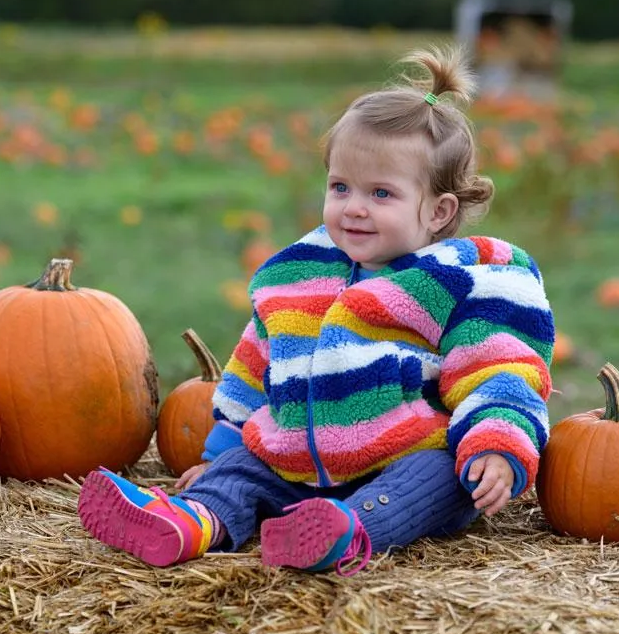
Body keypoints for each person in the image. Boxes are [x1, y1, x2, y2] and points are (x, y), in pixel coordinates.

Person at [78, 45, 555, 576]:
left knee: (440, 474)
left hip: (398, 462)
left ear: (439, 212)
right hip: (295, 465)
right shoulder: (297, 274)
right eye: (340, 187)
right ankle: (191, 522)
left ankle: (346, 531)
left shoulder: (462, 279)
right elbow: (255, 366)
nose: (354, 207)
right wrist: (220, 453)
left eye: (381, 193)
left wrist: (496, 441)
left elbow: (499, 367)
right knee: (243, 471)